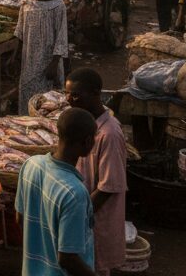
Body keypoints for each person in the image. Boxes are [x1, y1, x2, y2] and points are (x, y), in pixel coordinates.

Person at [14, 108, 99, 276]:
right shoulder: (75, 193)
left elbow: (19, 219)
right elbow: (67, 258)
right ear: (87, 141)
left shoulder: (31, 165)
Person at [65, 68, 127, 276]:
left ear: (95, 94)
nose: (70, 100)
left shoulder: (109, 134)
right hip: (86, 212)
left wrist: (80, 214)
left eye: (75, 95)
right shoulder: (88, 125)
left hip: (97, 218)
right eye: (67, 94)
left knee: (94, 267)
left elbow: (108, 187)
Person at [14, 0, 69, 107]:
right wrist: (15, 56)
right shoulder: (26, 3)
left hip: (48, 62)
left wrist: (54, 64)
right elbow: (20, 32)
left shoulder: (58, 5)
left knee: (48, 104)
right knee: (28, 101)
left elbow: (61, 38)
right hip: (29, 62)